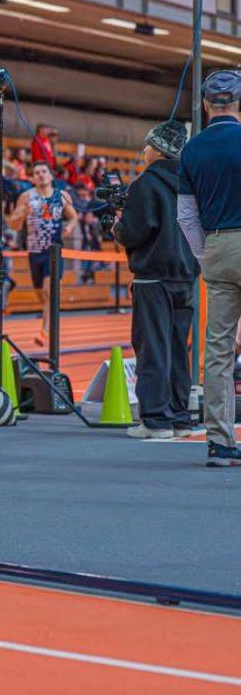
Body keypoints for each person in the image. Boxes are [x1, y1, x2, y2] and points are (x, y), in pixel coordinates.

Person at [113, 121, 198, 440]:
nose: (144, 151)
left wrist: (117, 229)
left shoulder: (146, 184)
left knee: (152, 348)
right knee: (178, 348)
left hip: (153, 278)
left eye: (148, 146)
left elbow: (135, 230)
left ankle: (155, 420)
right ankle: (179, 417)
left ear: (158, 149)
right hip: (186, 277)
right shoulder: (193, 183)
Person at [177, 70, 241, 467]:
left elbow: (186, 216)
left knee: (217, 349)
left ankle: (220, 442)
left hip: (217, 243)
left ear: (205, 105)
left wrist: (207, 255)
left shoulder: (192, 150)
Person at [7, 161, 78, 346]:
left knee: (49, 291)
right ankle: (48, 317)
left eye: (43, 171)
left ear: (50, 175)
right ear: (32, 177)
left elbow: (73, 216)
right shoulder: (26, 197)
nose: (40, 175)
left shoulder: (60, 196)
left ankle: (44, 331)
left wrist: (69, 227)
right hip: (34, 251)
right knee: (41, 295)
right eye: (36, 172)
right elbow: (13, 225)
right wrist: (21, 213)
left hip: (53, 251)